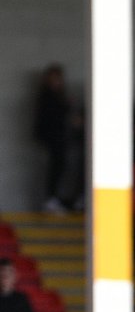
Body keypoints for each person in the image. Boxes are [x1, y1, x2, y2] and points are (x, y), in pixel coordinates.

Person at [33, 63, 83, 213]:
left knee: (61, 166)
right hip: (53, 137)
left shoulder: (59, 96)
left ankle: (54, 199)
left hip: (60, 137)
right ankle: (51, 199)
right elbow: (54, 117)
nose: (56, 82)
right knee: (56, 166)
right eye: (53, 79)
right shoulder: (47, 97)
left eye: (58, 79)